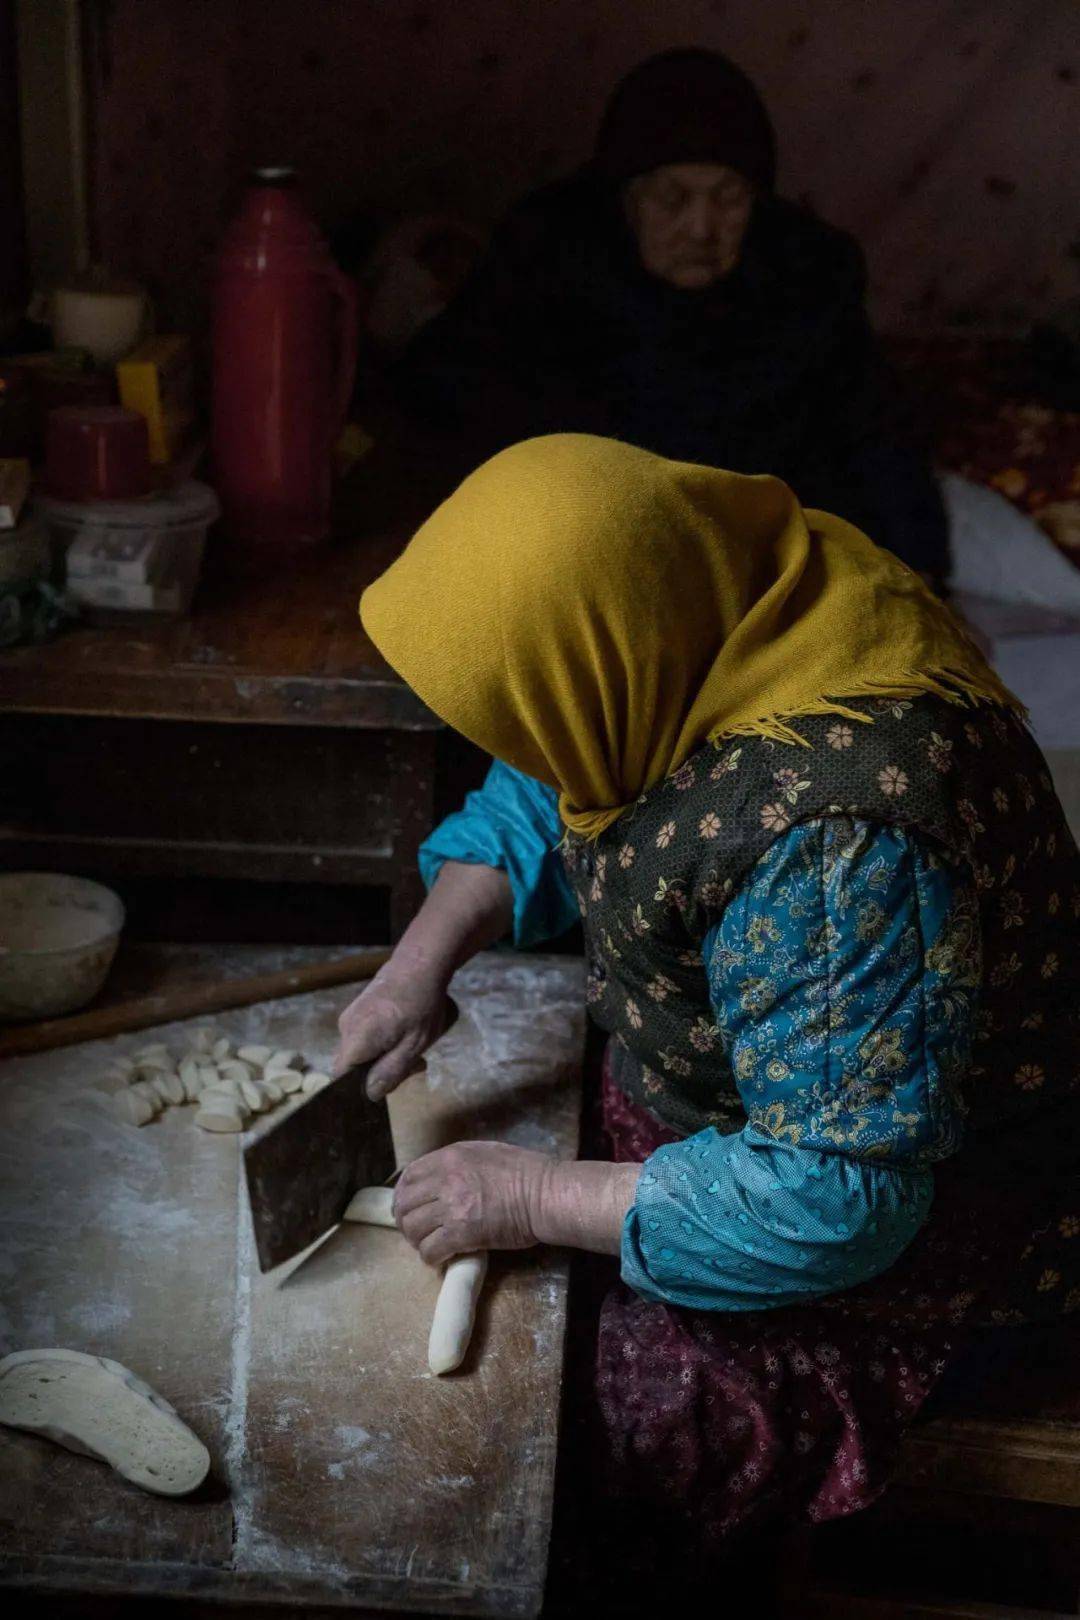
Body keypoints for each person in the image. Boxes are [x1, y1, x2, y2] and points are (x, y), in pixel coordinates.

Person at [335, 433, 1079, 1551]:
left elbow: (836, 1199)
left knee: (584, 1438)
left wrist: (537, 1199)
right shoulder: (738, 603)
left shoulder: (837, 846)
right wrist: (416, 969)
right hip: (769, 1101)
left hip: (933, 1227)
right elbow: (555, 773)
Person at [379, 48, 949, 584]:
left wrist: (920, 582)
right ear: (625, 198)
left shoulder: (809, 274)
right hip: (583, 554)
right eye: (673, 199)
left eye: (728, 198)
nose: (702, 229)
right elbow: (451, 394)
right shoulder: (545, 257)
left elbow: (876, 434)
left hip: (759, 561)